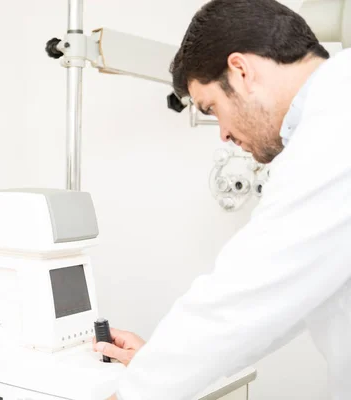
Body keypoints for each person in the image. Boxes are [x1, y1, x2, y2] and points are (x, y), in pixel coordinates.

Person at [94, 0, 351, 399]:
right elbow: (286, 298)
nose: (223, 134)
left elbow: (247, 291)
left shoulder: (337, 121)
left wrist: (137, 391)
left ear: (242, 71)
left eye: (211, 108)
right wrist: (161, 363)